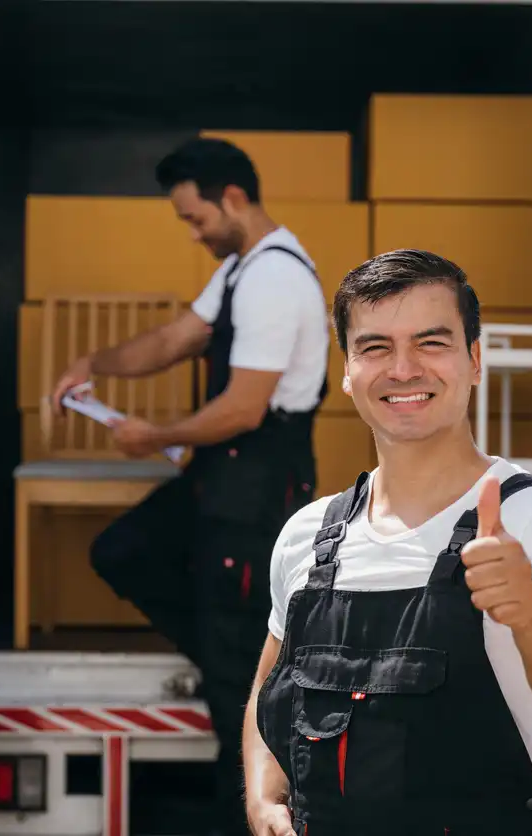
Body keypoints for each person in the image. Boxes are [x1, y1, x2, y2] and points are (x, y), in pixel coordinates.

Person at [241, 250, 532, 836]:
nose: (403, 369)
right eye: (375, 348)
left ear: (475, 360)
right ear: (346, 372)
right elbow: (273, 690)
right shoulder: (307, 536)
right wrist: (262, 794)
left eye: (431, 343)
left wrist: (531, 611)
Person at [49, 137, 330, 834]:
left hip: (260, 481)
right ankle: (225, 648)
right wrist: (95, 362)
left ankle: (250, 814)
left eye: (194, 217)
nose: (194, 232)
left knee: (236, 682)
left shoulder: (276, 278)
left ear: (232, 198)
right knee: (124, 550)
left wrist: (158, 434)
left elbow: (243, 409)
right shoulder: (242, 268)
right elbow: (175, 340)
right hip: (220, 474)